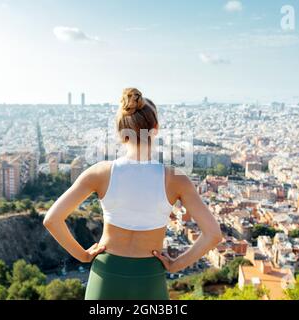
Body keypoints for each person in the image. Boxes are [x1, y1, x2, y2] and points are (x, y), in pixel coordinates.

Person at [43, 88, 222, 300]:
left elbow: (52, 220)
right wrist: (176, 264)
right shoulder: (175, 179)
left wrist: (83, 255)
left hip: (106, 273)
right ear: (155, 129)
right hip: (149, 275)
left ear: (120, 132)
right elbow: (213, 235)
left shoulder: (100, 173)